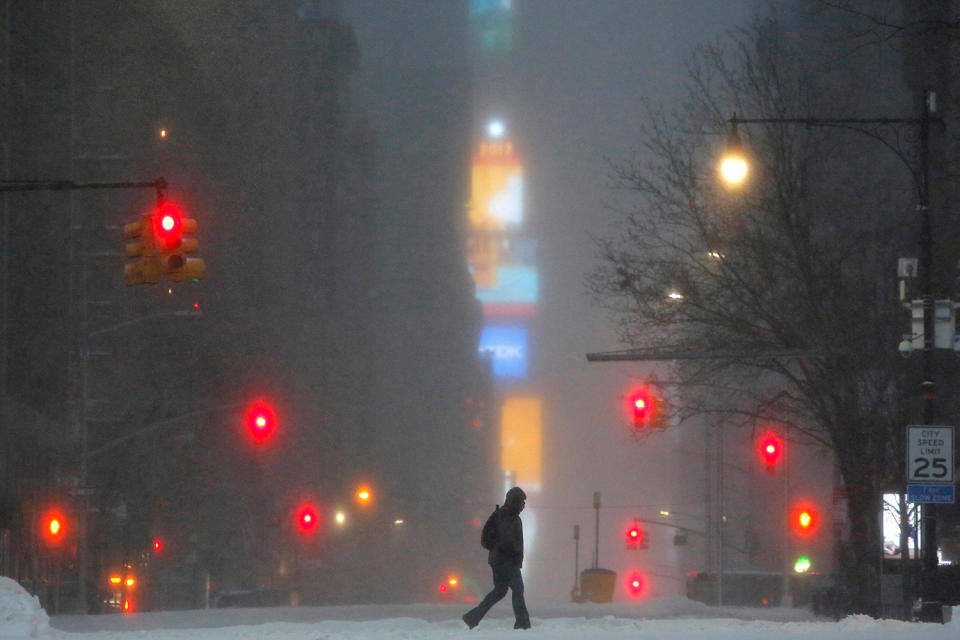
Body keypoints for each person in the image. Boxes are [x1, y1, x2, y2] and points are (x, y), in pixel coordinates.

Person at [462, 486, 531, 630]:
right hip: (507, 562)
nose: (523, 506)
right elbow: (508, 541)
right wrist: (508, 554)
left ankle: (473, 617)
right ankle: (522, 622)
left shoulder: (501, 515)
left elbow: (487, 538)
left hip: (499, 561)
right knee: (518, 589)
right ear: (515, 501)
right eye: (522, 502)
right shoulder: (508, 517)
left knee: (500, 591)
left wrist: (497, 552)